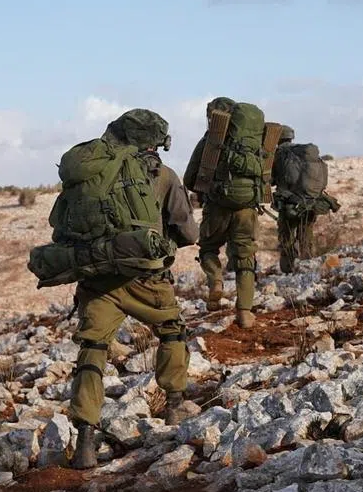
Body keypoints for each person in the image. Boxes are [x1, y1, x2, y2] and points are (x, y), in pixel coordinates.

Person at [61, 110, 199, 469]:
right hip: (146, 280)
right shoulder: (163, 175)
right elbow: (188, 234)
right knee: (172, 331)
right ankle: (174, 405)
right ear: (155, 142)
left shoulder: (93, 173)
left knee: (93, 349)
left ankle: (86, 443)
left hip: (98, 278)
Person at [183, 97, 271, 329]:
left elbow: (190, 179)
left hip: (217, 207)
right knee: (245, 258)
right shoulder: (255, 141)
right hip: (246, 209)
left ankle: (216, 282)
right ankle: (244, 312)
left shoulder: (211, 141)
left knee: (209, 248)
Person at [271, 125, 341, 273]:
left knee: (286, 238)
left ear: (278, 139)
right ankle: (307, 267)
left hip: (288, 205)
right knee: (306, 238)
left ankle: (288, 270)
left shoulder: (280, 154)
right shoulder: (304, 155)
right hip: (310, 203)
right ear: (291, 137)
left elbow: (271, 180)